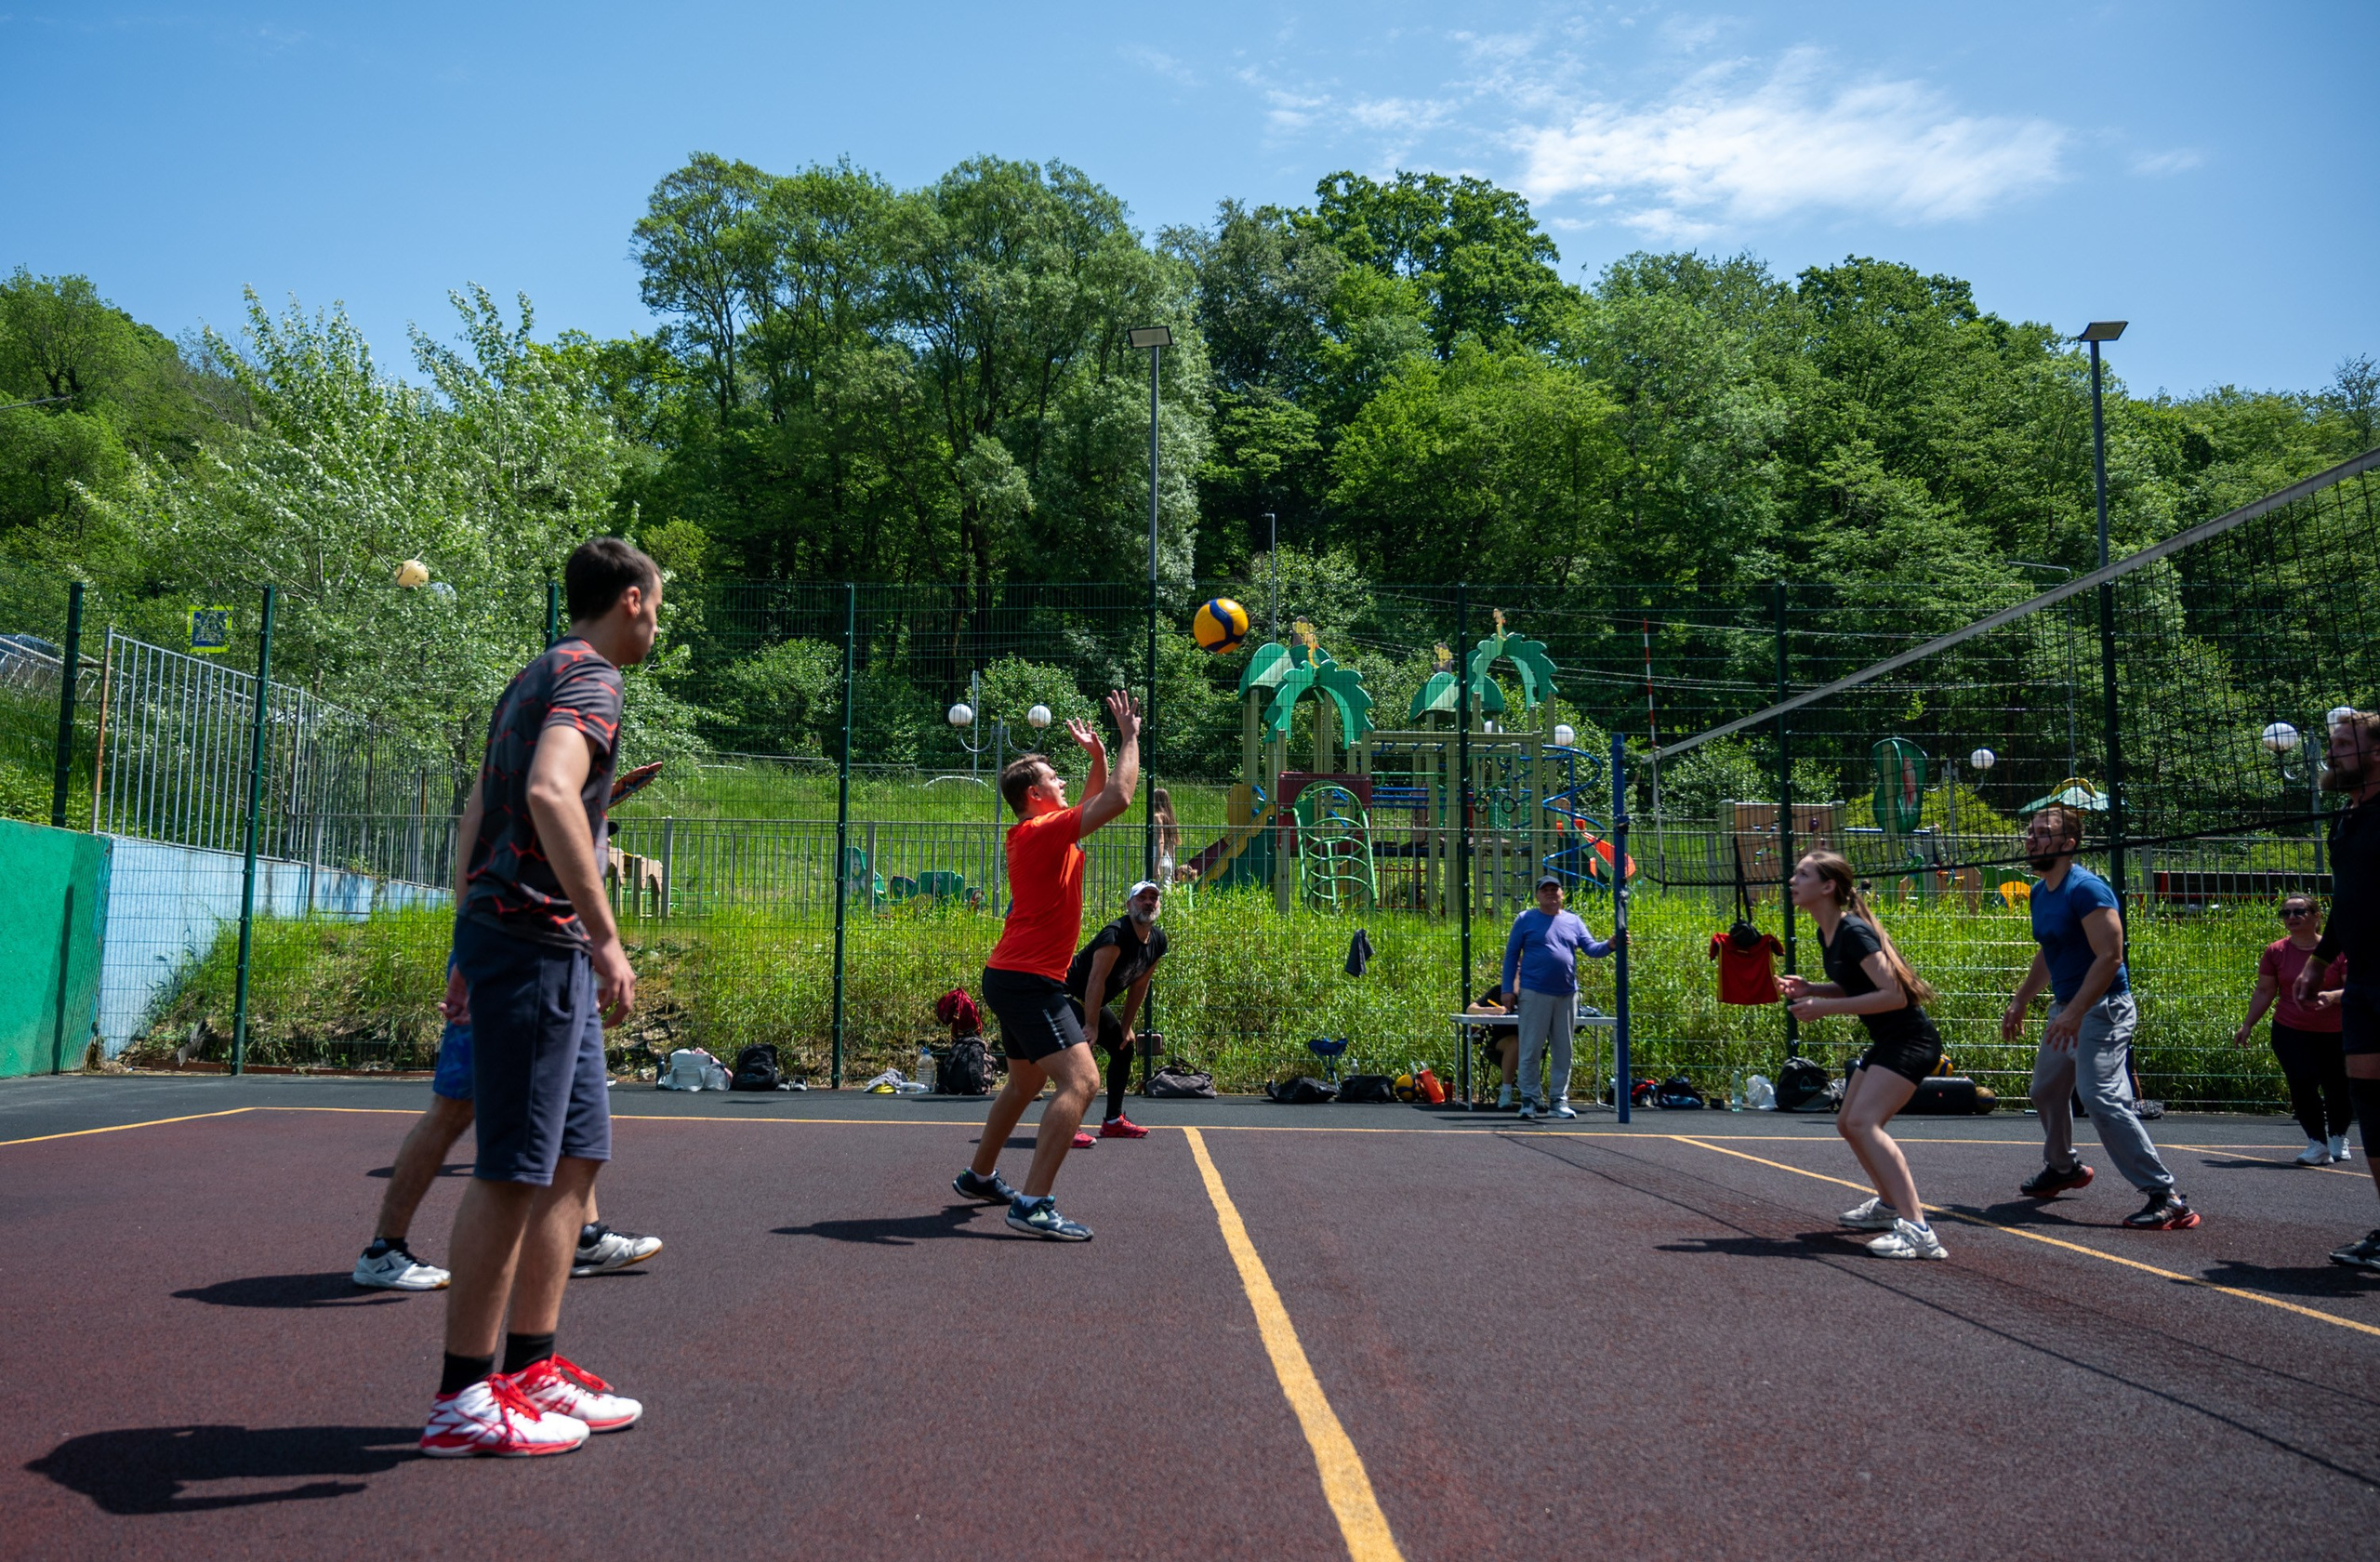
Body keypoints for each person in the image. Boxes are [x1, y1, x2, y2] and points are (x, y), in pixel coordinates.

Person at [420, 537, 658, 1458]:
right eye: (657, 606)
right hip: (535, 939)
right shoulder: (593, 678)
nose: (657, 622)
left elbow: (482, 810)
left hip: (513, 933)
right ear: (631, 599)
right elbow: (550, 793)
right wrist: (605, 934)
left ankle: (529, 1367)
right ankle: (461, 1399)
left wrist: (464, 930)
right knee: (516, 1167)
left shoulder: (534, 674)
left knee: (575, 1156)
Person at [953, 690, 1141, 1241]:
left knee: (1024, 1082)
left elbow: (1094, 800)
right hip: (1028, 982)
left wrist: (1098, 758)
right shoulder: (1042, 832)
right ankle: (1032, 1204)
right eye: (1055, 779)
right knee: (1082, 1081)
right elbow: (1119, 798)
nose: (1063, 783)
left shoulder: (1045, 831)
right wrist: (1128, 739)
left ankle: (979, 1176)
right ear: (1035, 795)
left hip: (1012, 976)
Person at [2000, 805, 2198, 1230]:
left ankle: (2166, 1196)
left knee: (2100, 1098)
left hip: (2104, 1009)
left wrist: (2075, 1012)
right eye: (2030, 831)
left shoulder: (2087, 889)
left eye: (2043, 832)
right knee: (2045, 1091)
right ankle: (2064, 1168)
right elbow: (2050, 951)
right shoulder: (2040, 892)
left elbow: (2110, 957)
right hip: (2067, 1011)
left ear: (2068, 844)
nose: (2031, 839)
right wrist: (2021, 1000)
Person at [1778, 853, 1948, 1260]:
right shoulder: (1828, 932)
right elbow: (1858, 985)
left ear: (1827, 887)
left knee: (1863, 1123)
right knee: (1848, 1124)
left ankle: (1919, 1231)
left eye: (1803, 874)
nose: (1792, 880)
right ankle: (1888, 1206)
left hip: (1911, 1041)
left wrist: (1823, 1007)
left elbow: (1893, 995)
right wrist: (1813, 989)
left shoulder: (1853, 931)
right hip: (1889, 1040)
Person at [2294, 709, 2380, 1271]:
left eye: (2345, 743)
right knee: (2369, 1099)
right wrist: (2319, 962)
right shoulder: (2348, 818)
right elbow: (2348, 904)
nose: (2332, 753)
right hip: (2367, 980)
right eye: (2332, 743)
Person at [2231, 894, 2353, 1167]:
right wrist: (2247, 1024)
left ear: (2316, 916)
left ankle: (2338, 1137)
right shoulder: (2276, 951)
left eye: (2299, 912)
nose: (2291, 918)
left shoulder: (2338, 950)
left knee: (2338, 1086)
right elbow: (2265, 990)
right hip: (2291, 1030)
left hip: (2337, 1031)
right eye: (2285, 913)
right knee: (2301, 1083)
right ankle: (2317, 1144)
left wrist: (2332, 997)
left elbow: (2355, 988)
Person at [1500, 873, 1618, 1121]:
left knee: (1563, 1050)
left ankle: (1558, 1100)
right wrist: (1507, 989)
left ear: (1562, 894)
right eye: (1545, 890)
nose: (1551, 893)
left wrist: (1609, 944)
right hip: (1534, 993)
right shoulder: (1525, 919)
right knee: (1530, 1049)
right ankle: (1529, 1100)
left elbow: (1591, 948)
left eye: (1555, 889)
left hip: (1566, 994)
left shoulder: (1574, 921)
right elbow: (1511, 955)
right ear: (1537, 895)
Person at [1065, 880, 1168, 1140]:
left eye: (1153, 898)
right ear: (1129, 905)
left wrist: (1125, 1027)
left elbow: (1140, 985)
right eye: (1141, 898)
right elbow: (1095, 980)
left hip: (1092, 1001)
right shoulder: (1115, 934)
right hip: (1066, 997)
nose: (1148, 902)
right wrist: (1091, 1025)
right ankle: (1066, 1127)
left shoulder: (1158, 940)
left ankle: (1113, 1121)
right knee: (1081, 1054)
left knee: (1123, 1047)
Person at [1151, 787, 1184, 884]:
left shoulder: (1157, 817)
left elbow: (1160, 841)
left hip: (1156, 857)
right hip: (1167, 861)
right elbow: (1172, 848)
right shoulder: (1171, 819)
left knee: (1149, 889)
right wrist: (1173, 873)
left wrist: (1156, 866)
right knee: (1166, 891)